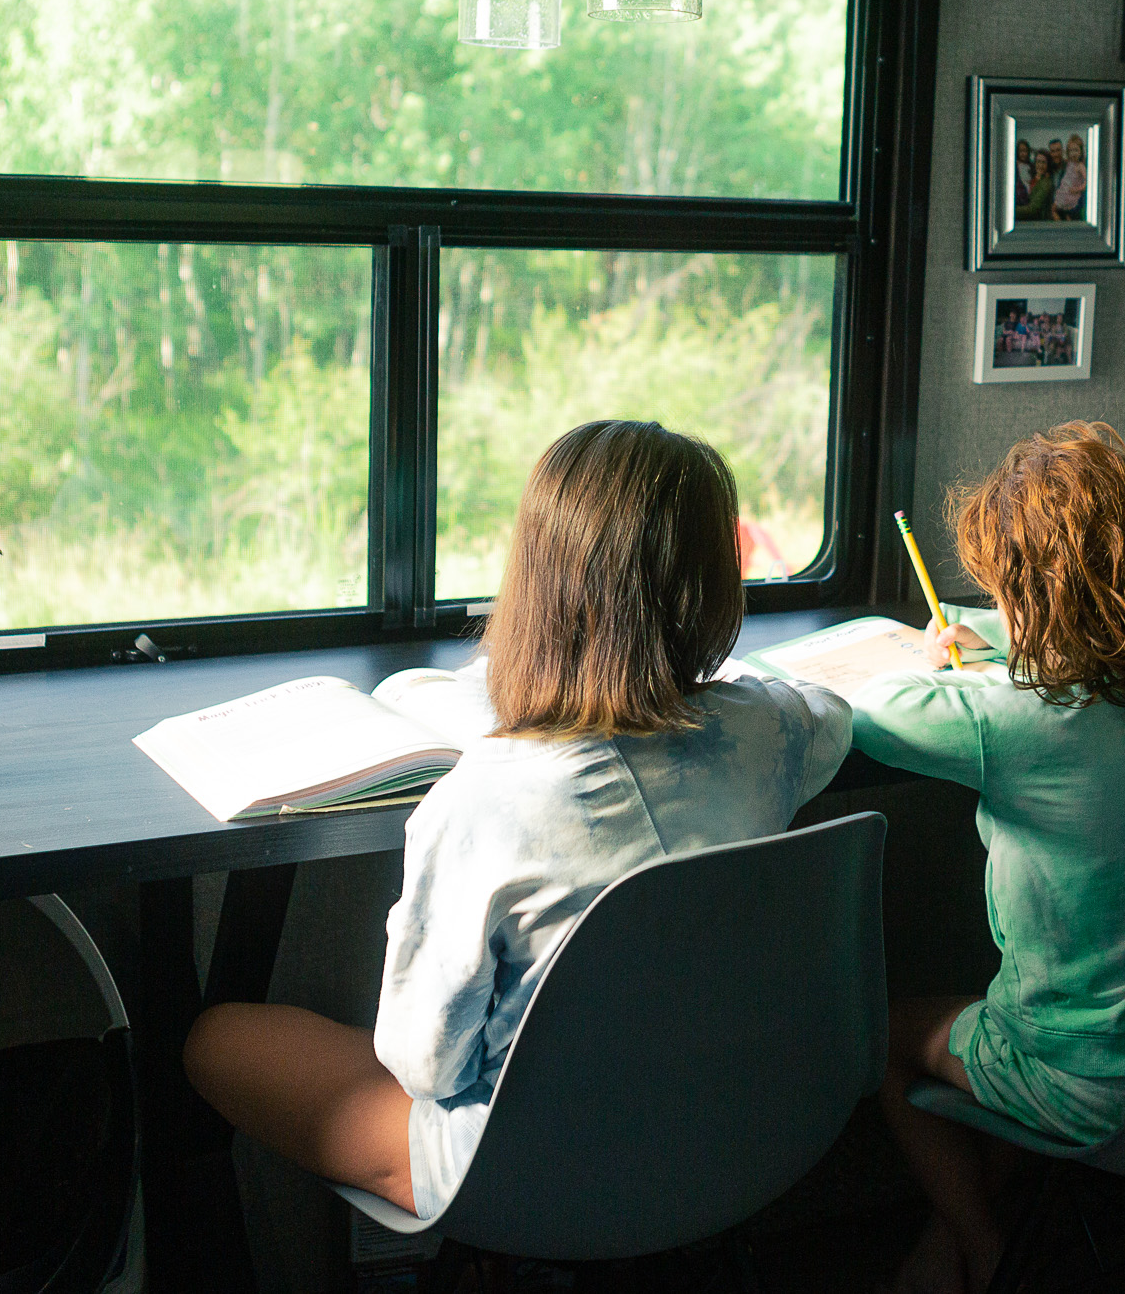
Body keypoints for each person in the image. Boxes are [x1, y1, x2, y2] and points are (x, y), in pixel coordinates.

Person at [182, 419, 854, 1220]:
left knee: (213, 1038)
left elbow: (423, 1063)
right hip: (740, 1122)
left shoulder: (481, 803)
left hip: (526, 1170)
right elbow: (832, 717)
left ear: (537, 586)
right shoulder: (769, 727)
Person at [849, 420, 1125, 1294]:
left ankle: (980, 1246)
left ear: (1031, 598)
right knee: (991, 1026)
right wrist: (1012, 637)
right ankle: (966, 1242)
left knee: (889, 1034)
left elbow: (873, 704)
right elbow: (1079, 659)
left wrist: (960, 657)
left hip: (1087, 1073)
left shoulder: (1009, 722)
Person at [1051, 133, 1089, 219]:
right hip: (1064, 192)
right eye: (1071, 151)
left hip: (1072, 194)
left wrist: (1077, 189)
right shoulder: (1069, 163)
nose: (1073, 153)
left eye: (1076, 150)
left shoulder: (1080, 166)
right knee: (1054, 209)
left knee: (1066, 214)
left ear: (1081, 151)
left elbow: (1087, 182)